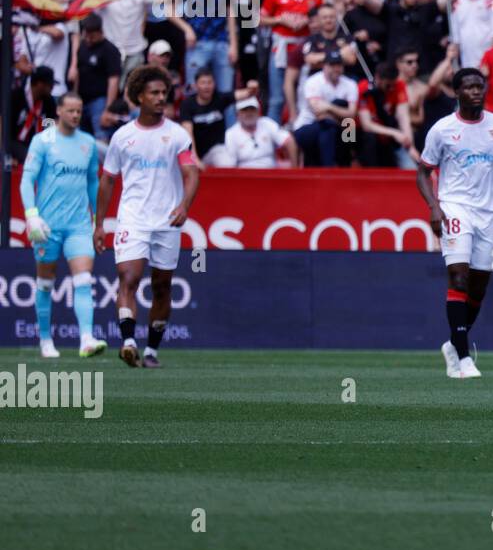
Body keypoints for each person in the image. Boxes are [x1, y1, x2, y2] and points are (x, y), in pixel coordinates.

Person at [94, 65, 201, 368]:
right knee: (128, 278)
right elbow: (108, 180)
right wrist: (99, 224)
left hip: (166, 220)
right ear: (138, 96)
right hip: (133, 219)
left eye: (163, 93)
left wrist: (184, 206)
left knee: (162, 286)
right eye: (153, 93)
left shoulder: (177, 134)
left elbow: (191, 172)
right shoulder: (122, 137)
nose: (160, 98)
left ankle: (152, 350)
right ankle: (128, 342)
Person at [418, 67, 493, 378]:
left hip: (488, 212)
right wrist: (435, 208)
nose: (477, 91)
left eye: (480, 86)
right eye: (470, 87)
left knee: (479, 285)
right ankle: (463, 357)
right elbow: (423, 171)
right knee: (458, 277)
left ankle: (454, 342)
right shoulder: (442, 129)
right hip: (454, 208)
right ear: (456, 92)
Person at [20, 92, 106, 360]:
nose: (76, 115)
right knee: (45, 283)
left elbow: (93, 182)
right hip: (48, 226)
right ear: (59, 111)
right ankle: (46, 340)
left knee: (83, 279)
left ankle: (86, 339)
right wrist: (32, 215)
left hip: (79, 226)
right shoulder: (42, 141)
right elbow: (26, 180)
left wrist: (97, 221)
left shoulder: (88, 143)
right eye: (71, 111)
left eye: (79, 111)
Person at [292, 50, 359, 167]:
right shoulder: (313, 81)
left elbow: (352, 114)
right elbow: (319, 113)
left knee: (348, 125)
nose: (336, 69)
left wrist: (329, 107)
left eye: (338, 65)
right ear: (324, 66)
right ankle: (329, 170)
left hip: (338, 126)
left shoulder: (350, 84)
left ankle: (347, 163)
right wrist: (341, 113)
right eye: (332, 65)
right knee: (328, 126)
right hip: (307, 127)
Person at [225, 95, 296, 168]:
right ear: (237, 114)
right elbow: (231, 163)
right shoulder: (231, 133)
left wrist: (294, 170)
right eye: (244, 110)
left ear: (258, 111)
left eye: (252, 109)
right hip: (245, 175)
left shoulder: (267, 123)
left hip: (270, 173)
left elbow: (289, 140)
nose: (249, 113)